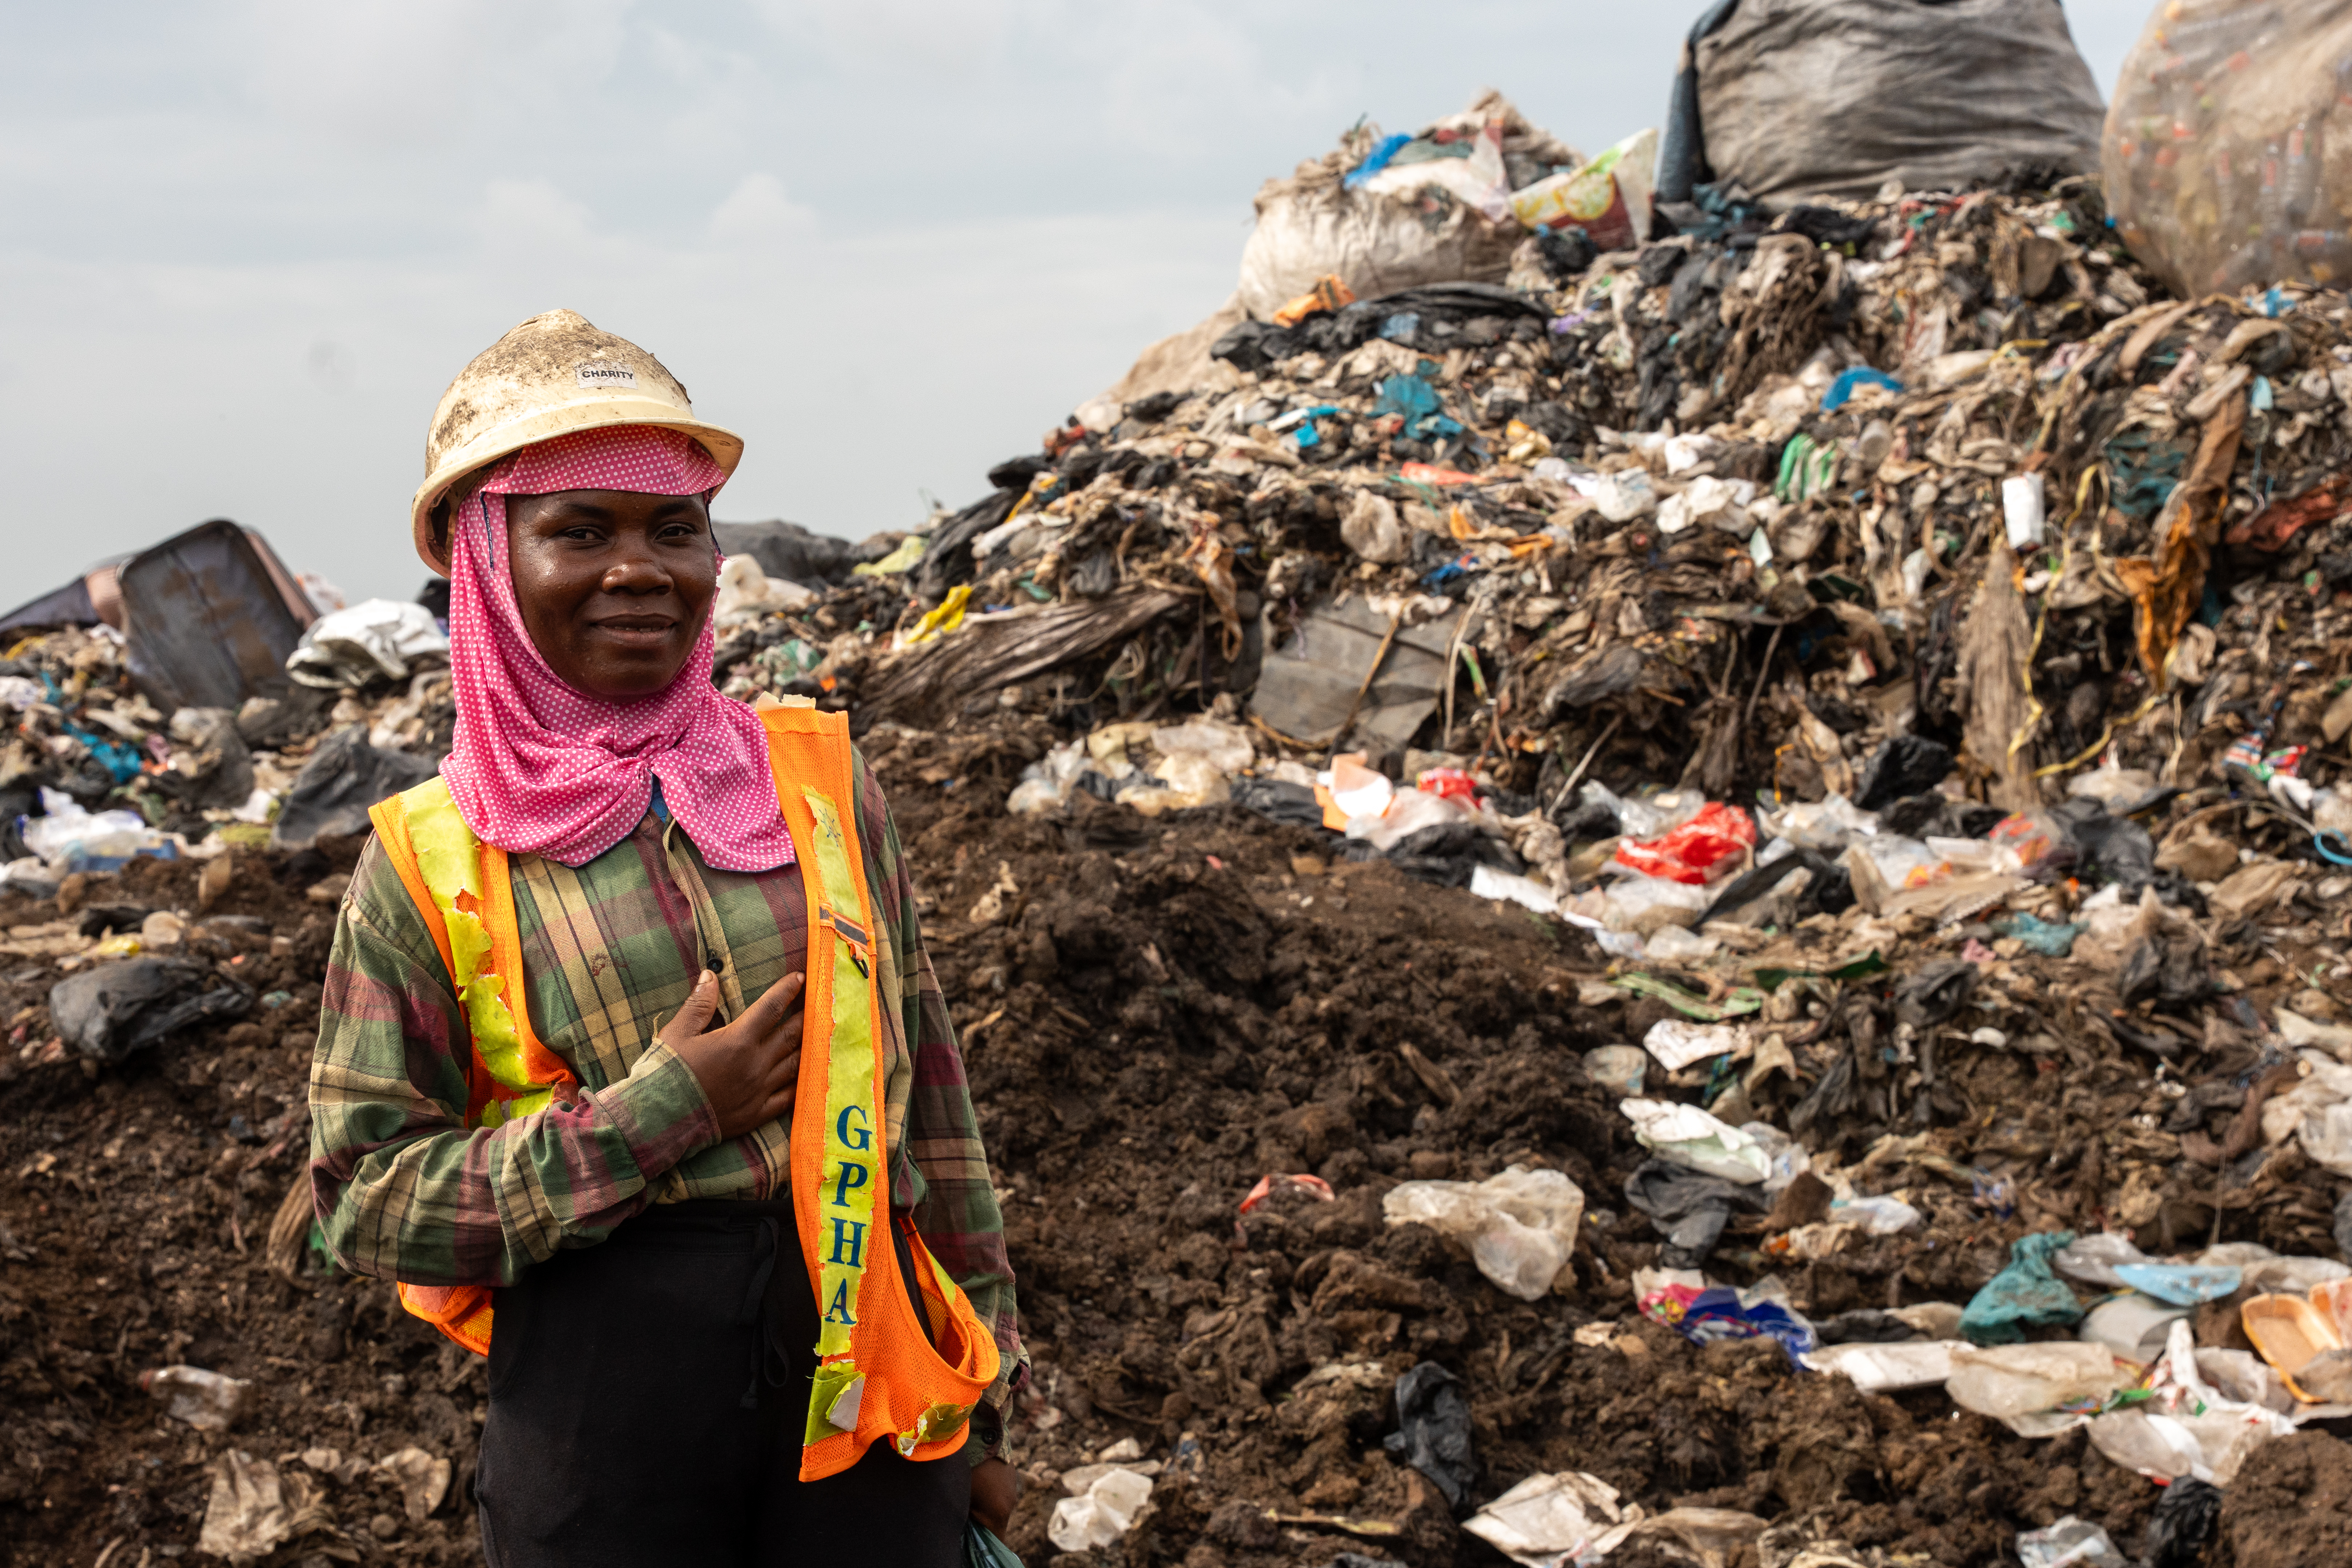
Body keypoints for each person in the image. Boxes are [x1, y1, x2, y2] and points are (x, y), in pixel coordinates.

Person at [309, 310, 1025, 1566]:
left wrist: (981, 1400)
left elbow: (931, 1103)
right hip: (604, 1397)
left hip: (863, 1367)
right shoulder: (428, 860)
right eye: (580, 531)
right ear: (487, 562)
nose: (640, 570)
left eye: (674, 529)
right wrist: (658, 1118)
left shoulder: (819, 782)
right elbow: (366, 1201)